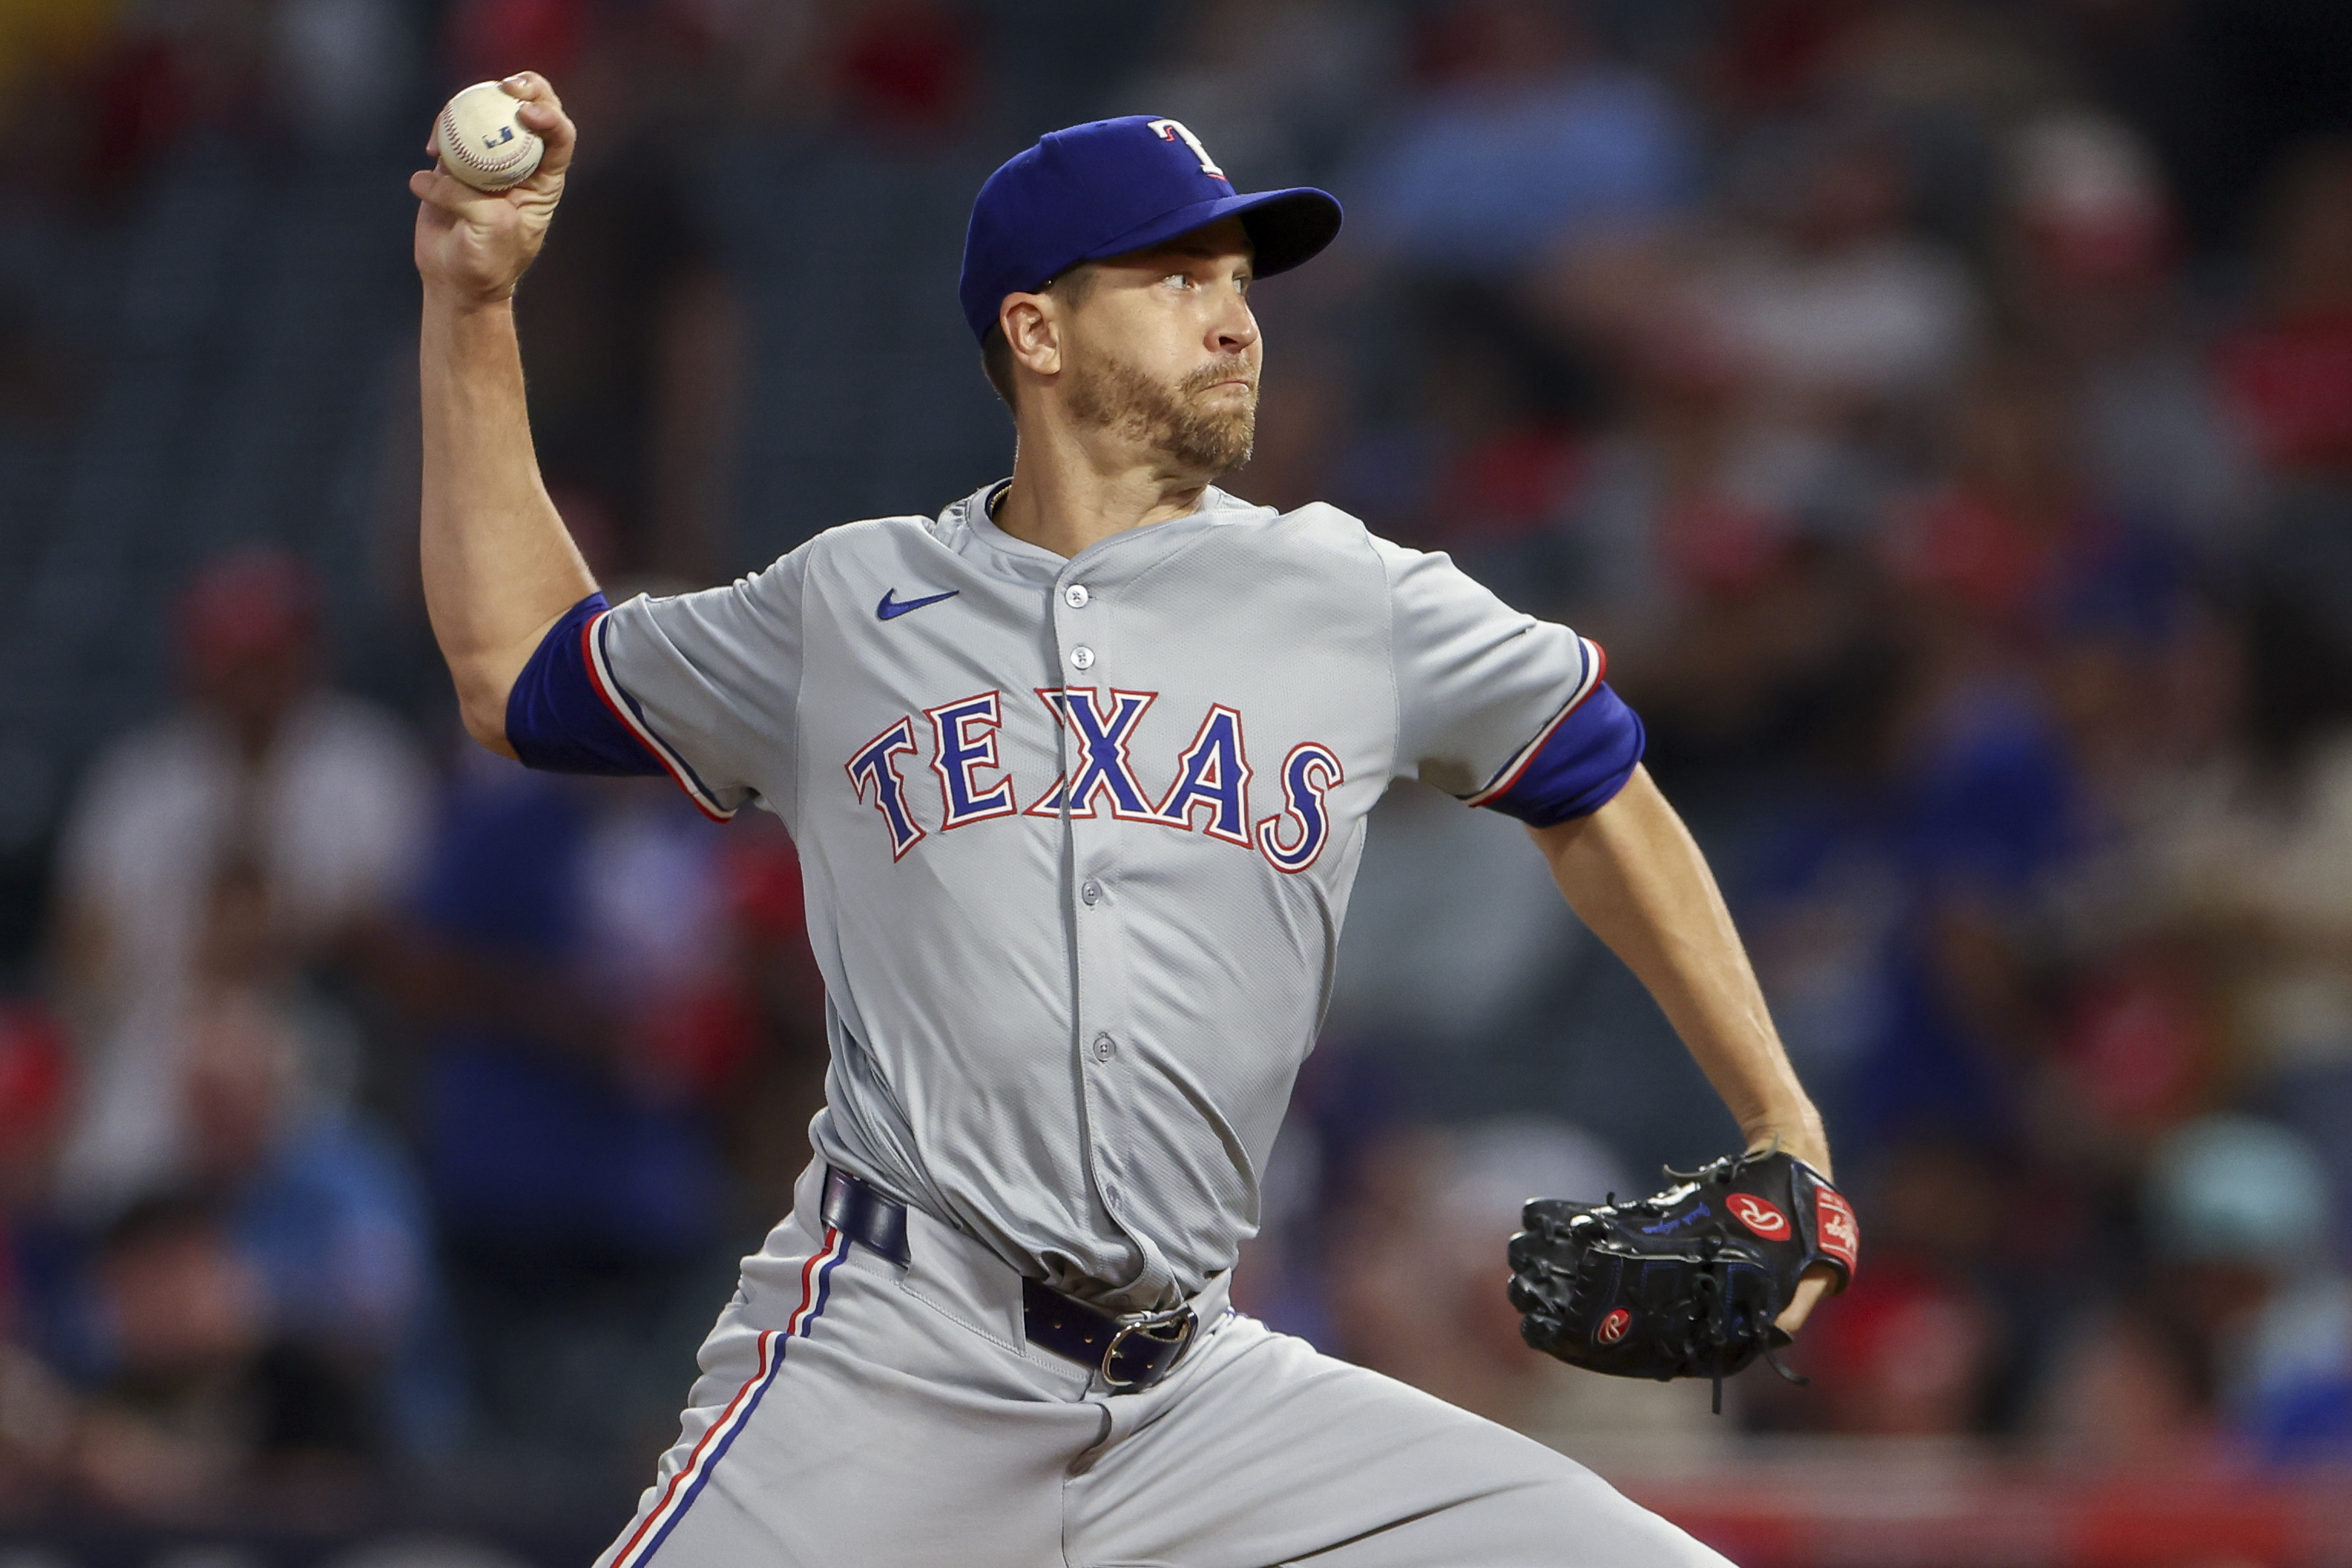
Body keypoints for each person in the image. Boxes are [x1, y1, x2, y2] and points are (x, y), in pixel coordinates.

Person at [410, 76, 1838, 1566]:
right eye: (1172, 280)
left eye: (1237, 284)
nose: (1233, 322)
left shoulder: (1356, 596)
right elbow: (520, 673)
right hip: (900, 1355)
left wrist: (1779, 1123)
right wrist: (473, 304)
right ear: (1035, 331)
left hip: (1200, 1391)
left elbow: (1593, 779)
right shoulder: (847, 604)